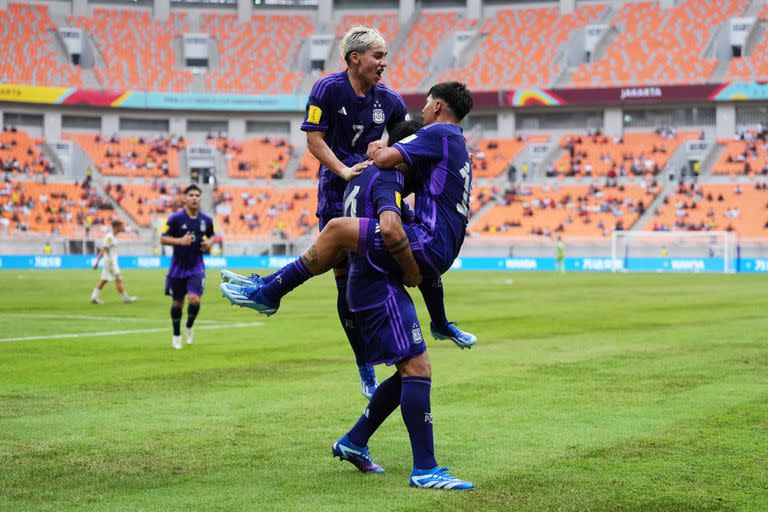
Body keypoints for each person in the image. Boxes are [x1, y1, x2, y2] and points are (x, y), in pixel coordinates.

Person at [221, 82, 475, 489]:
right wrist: (415, 274)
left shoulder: (370, 174)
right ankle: (425, 469)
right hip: (379, 282)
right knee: (416, 366)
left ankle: (356, 440)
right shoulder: (397, 170)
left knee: (409, 369)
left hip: (367, 279)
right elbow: (392, 231)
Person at [222, 27, 474, 400]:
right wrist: (343, 170)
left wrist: (385, 165)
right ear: (355, 58)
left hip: (379, 186)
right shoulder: (326, 88)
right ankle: (364, 365)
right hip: (337, 188)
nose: (384, 64)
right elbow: (313, 139)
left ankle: (271, 291)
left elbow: (406, 136)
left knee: (405, 243)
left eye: (386, 56)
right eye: (378, 56)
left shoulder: (390, 100)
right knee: (345, 277)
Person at [161, 184, 214, 350]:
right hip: (177, 267)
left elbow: (212, 237)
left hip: (196, 266)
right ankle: (176, 334)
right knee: (177, 303)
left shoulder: (207, 220)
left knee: (194, 299)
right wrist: (180, 241)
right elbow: (163, 238)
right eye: (191, 195)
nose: (194, 198)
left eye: (197, 195)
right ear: (185, 198)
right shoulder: (175, 219)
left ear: (200, 198)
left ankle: (189, 325)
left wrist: (209, 243)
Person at [90, 219, 137, 305]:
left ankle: (94, 296)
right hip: (111, 262)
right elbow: (103, 249)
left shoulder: (113, 237)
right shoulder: (109, 237)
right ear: (116, 227)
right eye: (121, 226)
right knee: (118, 279)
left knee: (104, 280)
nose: (122, 228)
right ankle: (126, 298)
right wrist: (97, 262)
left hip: (111, 261)